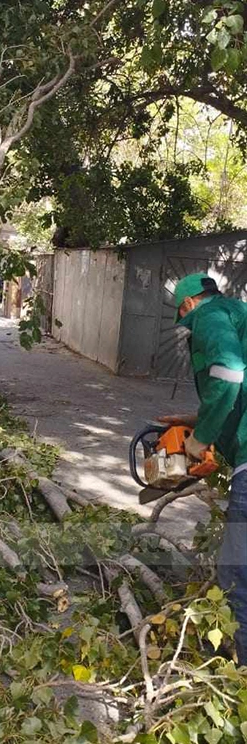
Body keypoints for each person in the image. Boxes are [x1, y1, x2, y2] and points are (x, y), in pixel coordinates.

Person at [159, 273, 247, 657]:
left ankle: (240, 680)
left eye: (183, 316)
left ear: (190, 304)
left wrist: (200, 439)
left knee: (238, 575)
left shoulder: (209, 317)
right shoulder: (238, 314)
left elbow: (229, 373)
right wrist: (196, 420)